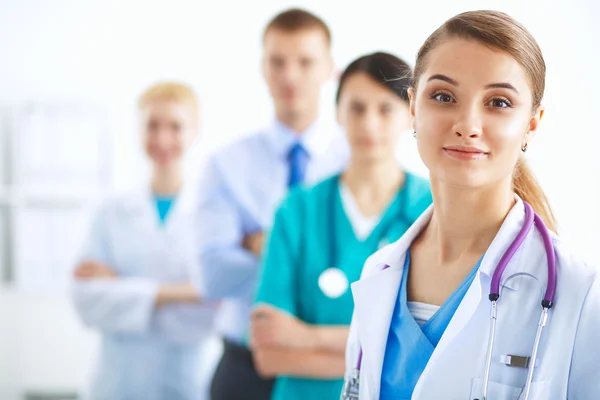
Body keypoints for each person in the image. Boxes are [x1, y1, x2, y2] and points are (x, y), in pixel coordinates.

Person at [342, 10, 600, 400]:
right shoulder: (378, 273)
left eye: (498, 102)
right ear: (413, 107)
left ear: (532, 123)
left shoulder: (579, 293)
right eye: (444, 96)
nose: (467, 124)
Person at [250, 52, 432, 400]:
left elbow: (429, 351)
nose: (369, 123)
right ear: (337, 112)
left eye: (385, 109)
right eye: (357, 108)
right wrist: (380, 347)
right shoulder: (297, 209)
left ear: (411, 115)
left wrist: (305, 338)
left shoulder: (431, 209)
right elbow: (269, 353)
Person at [196, 8, 348, 400]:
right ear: (262, 67)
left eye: (305, 62)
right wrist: (316, 259)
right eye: (277, 62)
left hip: (328, 366)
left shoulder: (354, 163)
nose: (290, 75)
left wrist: (259, 243)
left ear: (330, 69)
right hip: (244, 369)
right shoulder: (226, 164)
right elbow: (212, 275)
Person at [71, 82, 218, 400]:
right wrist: (182, 293)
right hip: (117, 383)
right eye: (152, 126)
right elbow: (86, 301)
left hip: (187, 380)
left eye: (176, 126)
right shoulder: (110, 212)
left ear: (195, 131)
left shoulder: (212, 213)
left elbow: (216, 305)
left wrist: (125, 287)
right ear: (138, 131)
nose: (163, 138)